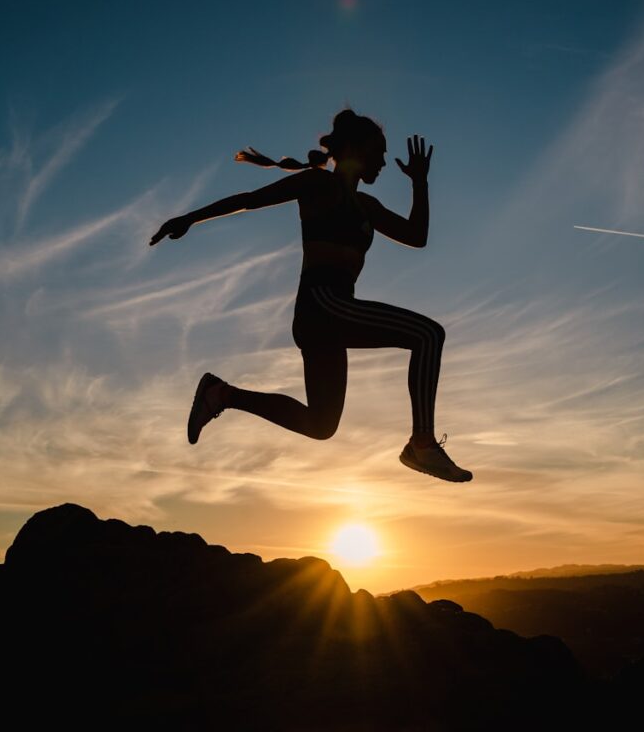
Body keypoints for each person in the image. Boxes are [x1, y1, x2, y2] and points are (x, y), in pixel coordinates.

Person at [149, 109, 472, 482]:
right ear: (355, 148)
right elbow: (248, 200)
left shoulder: (369, 207)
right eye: (379, 151)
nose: (384, 161)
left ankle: (222, 394)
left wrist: (420, 183)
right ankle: (422, 445)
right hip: (323, 305)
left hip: (328, 318)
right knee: (428, 334)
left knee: (321, 425)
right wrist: (188, 218)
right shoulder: (317, 185)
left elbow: (417, 237)